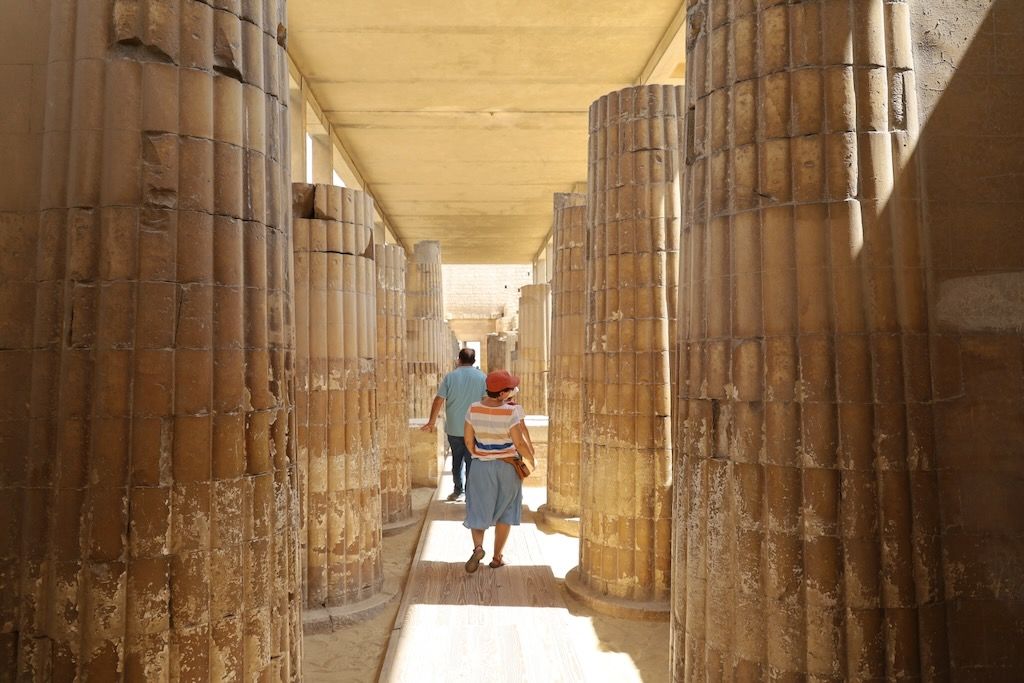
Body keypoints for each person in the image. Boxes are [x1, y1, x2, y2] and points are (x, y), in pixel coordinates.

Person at [461, 369, 536, 572]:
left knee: (478, 508)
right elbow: (518, 442)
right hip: (507, 466)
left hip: (480, 467)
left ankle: (478, 548)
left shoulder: (473, 408)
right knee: (506, 511)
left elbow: (468, 439)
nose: (512, 391)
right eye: (510, 388)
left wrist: (480, 454)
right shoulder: (509, 411)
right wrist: (531, 458)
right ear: (502, 393)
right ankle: (496, 557)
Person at [420, 348, 486, 502]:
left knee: (457, 461)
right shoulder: (482, 377)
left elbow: (439, 399)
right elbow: (486, 402)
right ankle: (471, 493)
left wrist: (431, 422)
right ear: (474, 361)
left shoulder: (451, 377)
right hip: (475, 429)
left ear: (459, 360)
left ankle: (458, 490)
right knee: (473, 462)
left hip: (455, 428)